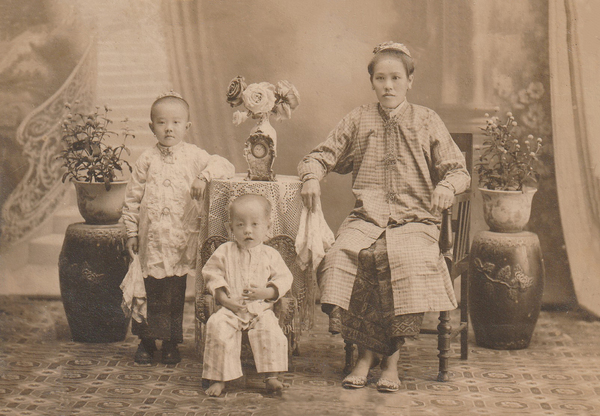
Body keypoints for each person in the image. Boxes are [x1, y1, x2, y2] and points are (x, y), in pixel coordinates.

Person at [298, 41, 470, 392]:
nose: (388, 86)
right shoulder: (359, 119)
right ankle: (366, 356)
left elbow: (458, 171)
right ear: (372, 82)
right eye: (380, 78)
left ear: (410, 80)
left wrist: (447, 188)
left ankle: (389, 362)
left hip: (415, 221)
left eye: (395, 78)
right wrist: (312, 176)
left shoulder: (426, 120)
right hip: (368, 221)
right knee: (344, 255)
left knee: (402, 259)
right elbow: (319, 156)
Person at [122, 91, 235, 365]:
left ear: (187, 126)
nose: (168, 128)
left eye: (175, 122)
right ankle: (147, 342)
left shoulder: (193, 156)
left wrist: (202, 176)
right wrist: (131, 232)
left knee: (173, 291)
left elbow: (225, 165)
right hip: (152, 241)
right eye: (161, 123)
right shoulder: (146, 159)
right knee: (148, 290)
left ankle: (171, 342)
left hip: (179, 239)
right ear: (152, 127)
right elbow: (132, 199)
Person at [201, 194, 293, 397]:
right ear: (230, 227)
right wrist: (225, 300)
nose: (247, 230)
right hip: (231, 309)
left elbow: (284, 278)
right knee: (217, 326)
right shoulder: (225, 251)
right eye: (240, 225)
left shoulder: (270, 254)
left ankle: (271, 376)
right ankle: (218, 378)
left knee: (270, 331)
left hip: (260, 309)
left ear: (268, 227)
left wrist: (266, 292)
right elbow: (211, 274)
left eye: (254, 224)